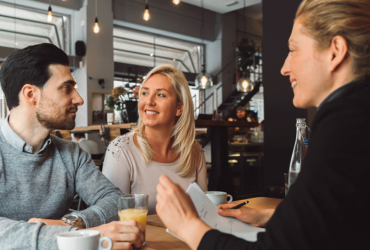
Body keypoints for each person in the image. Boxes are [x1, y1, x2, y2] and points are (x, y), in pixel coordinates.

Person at [155, 0, 370, 249]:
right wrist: (269, 216)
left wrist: (188, 226)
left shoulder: (345, 125)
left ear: (335, 51)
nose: (283, 68)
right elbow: (342, 218)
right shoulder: (357, 114)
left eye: (293, 50)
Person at [0, 43, 144, 250]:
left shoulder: (71, 153)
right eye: (67, 88)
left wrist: (73, 223)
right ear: (31, 94)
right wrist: (80, 236)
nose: (79, 99)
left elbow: (114, 200)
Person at [103, 65, 207, 214]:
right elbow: (112, 215)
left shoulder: (195, 151)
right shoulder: (121, 151)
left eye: (161, 95)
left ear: (179, 108)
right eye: (145, 93)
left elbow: (204, 211)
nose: (149, 102)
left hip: (187, 237)